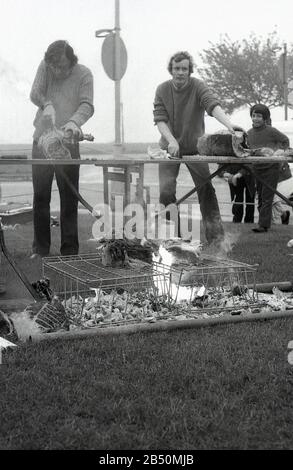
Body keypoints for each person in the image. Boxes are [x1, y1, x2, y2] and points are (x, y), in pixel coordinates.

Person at [153, 50, 242, 245]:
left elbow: (212, 105)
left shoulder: (198, 86)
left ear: (189, 71)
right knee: (166, 193)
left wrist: (229, 125)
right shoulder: (162, 89)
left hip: (195, 150)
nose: (180, 72)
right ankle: (174, 238)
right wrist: (171, 141)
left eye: (184, 69)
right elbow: (160, 120)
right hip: (170, 150)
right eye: (177, 68)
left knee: (206, 189)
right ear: (171, 70)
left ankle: (216, 238)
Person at [30, 40, 94, 258]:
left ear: (71, 60)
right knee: (40, 196)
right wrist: (46, 103)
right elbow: (35, 92)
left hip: (69, 141)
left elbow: (87, 104)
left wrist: (74, 122)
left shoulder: (84, 74)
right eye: (53, 67)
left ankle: (70, 251)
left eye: (62, 67)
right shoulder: (45, 66)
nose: (57, 71)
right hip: (41, 140)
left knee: (69, 197)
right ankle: (40, 250)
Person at [247, 104, 289, 233]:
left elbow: (285, 140)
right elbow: (247, 150)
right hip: (257, 169)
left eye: (259, 116)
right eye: (254, 116)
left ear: (265, 118)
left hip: (271, 169)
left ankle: (263, 225)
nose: (256, 118)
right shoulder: (248, 133)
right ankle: (264, 222)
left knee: (267, 197)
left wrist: (280, 151)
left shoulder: (271, 131)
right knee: (259, 197)